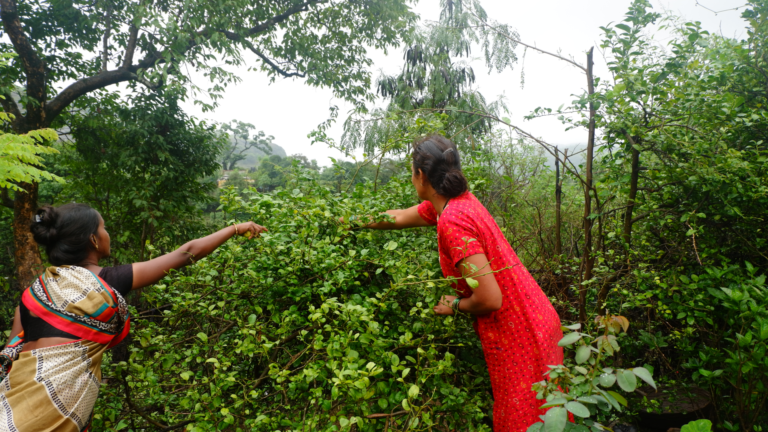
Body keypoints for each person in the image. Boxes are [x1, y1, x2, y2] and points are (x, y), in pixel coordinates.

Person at [355, 135, 564, 431]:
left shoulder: (452, 221)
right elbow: (398, 217)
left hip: (522, 333)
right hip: (537, 317)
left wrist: (454, 304)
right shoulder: (455, 202)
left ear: (421, 175)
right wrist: (349, 219)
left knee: (523, 421)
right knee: (547, 416)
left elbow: (490, 299)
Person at [0, 203, 266, 432]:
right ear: (93, 239)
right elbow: (188, 253)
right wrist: (235, 229)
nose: (108, 234)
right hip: (47, 411)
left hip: (11, 405)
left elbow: (10, 356)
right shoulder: (103, 282)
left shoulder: (31, 295)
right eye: (104, 228)